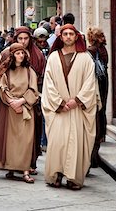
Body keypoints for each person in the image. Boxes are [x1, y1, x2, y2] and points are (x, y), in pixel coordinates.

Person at [42, 24, 97, 190]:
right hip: (59, 110)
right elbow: (48, 83)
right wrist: (59, 103)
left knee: (75, 143)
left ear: (76, 37)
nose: (67, 36)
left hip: (77, 109)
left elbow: (90, 83)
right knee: (57, 143)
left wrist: (78, 100)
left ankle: (73, 178)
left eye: (70, 34)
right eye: (64, 34)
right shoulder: (53, 57)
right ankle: (56, 175)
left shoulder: (85, 58)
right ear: (60, 37)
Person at [0, 43, 38, 183]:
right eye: (18, 53)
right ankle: (11, 167)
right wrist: (11, 102)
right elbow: (2, 88)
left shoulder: (30, 71)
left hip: (26, 109)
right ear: (12, 55)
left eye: (22, 53)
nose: (21, 56)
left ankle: (25, 171)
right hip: (9, 110)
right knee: (10, 142)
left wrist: (21, 101)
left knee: (25, 141)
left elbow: (34, 90)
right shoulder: (6, 72)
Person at [14, 26, 46, 175]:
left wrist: (30, 97)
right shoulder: (9, 53)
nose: (23, 41)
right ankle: (14, 163)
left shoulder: (38, 55)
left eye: (25, 38)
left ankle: (30, 163)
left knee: (32, 134)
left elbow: (41, 78)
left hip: (33, 100)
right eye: (20, 39)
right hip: (13, 101)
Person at [87, 27, 108, 169]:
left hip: (96, 83)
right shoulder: (103, 49)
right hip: (104, 82)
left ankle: (93, 156)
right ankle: (99, 141)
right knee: (101, 112)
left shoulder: (91, 50)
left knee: (95, 116)